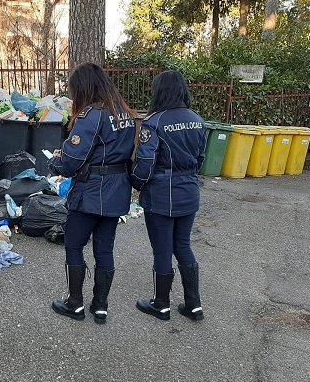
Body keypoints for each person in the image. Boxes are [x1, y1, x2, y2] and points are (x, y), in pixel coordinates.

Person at [48, 62, 136, 324]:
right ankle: (100, 305)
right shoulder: (125, 114)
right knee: (104, 250)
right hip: (117, 190)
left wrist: (55, 161)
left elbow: (72, 162)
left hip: (89, 192)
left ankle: (75, 303)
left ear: (83, 88)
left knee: (74, 244)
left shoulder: (90, 116)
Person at [131, 70, 207, 321]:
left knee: (162, 250)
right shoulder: (198, 120)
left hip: (162, 195)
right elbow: (200, 159)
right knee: (183, 246)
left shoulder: (154, 122)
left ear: (159, 91)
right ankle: (193, 305)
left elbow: (146, 163)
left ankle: (161, 304)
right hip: (189, 191)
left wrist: (136, 184)